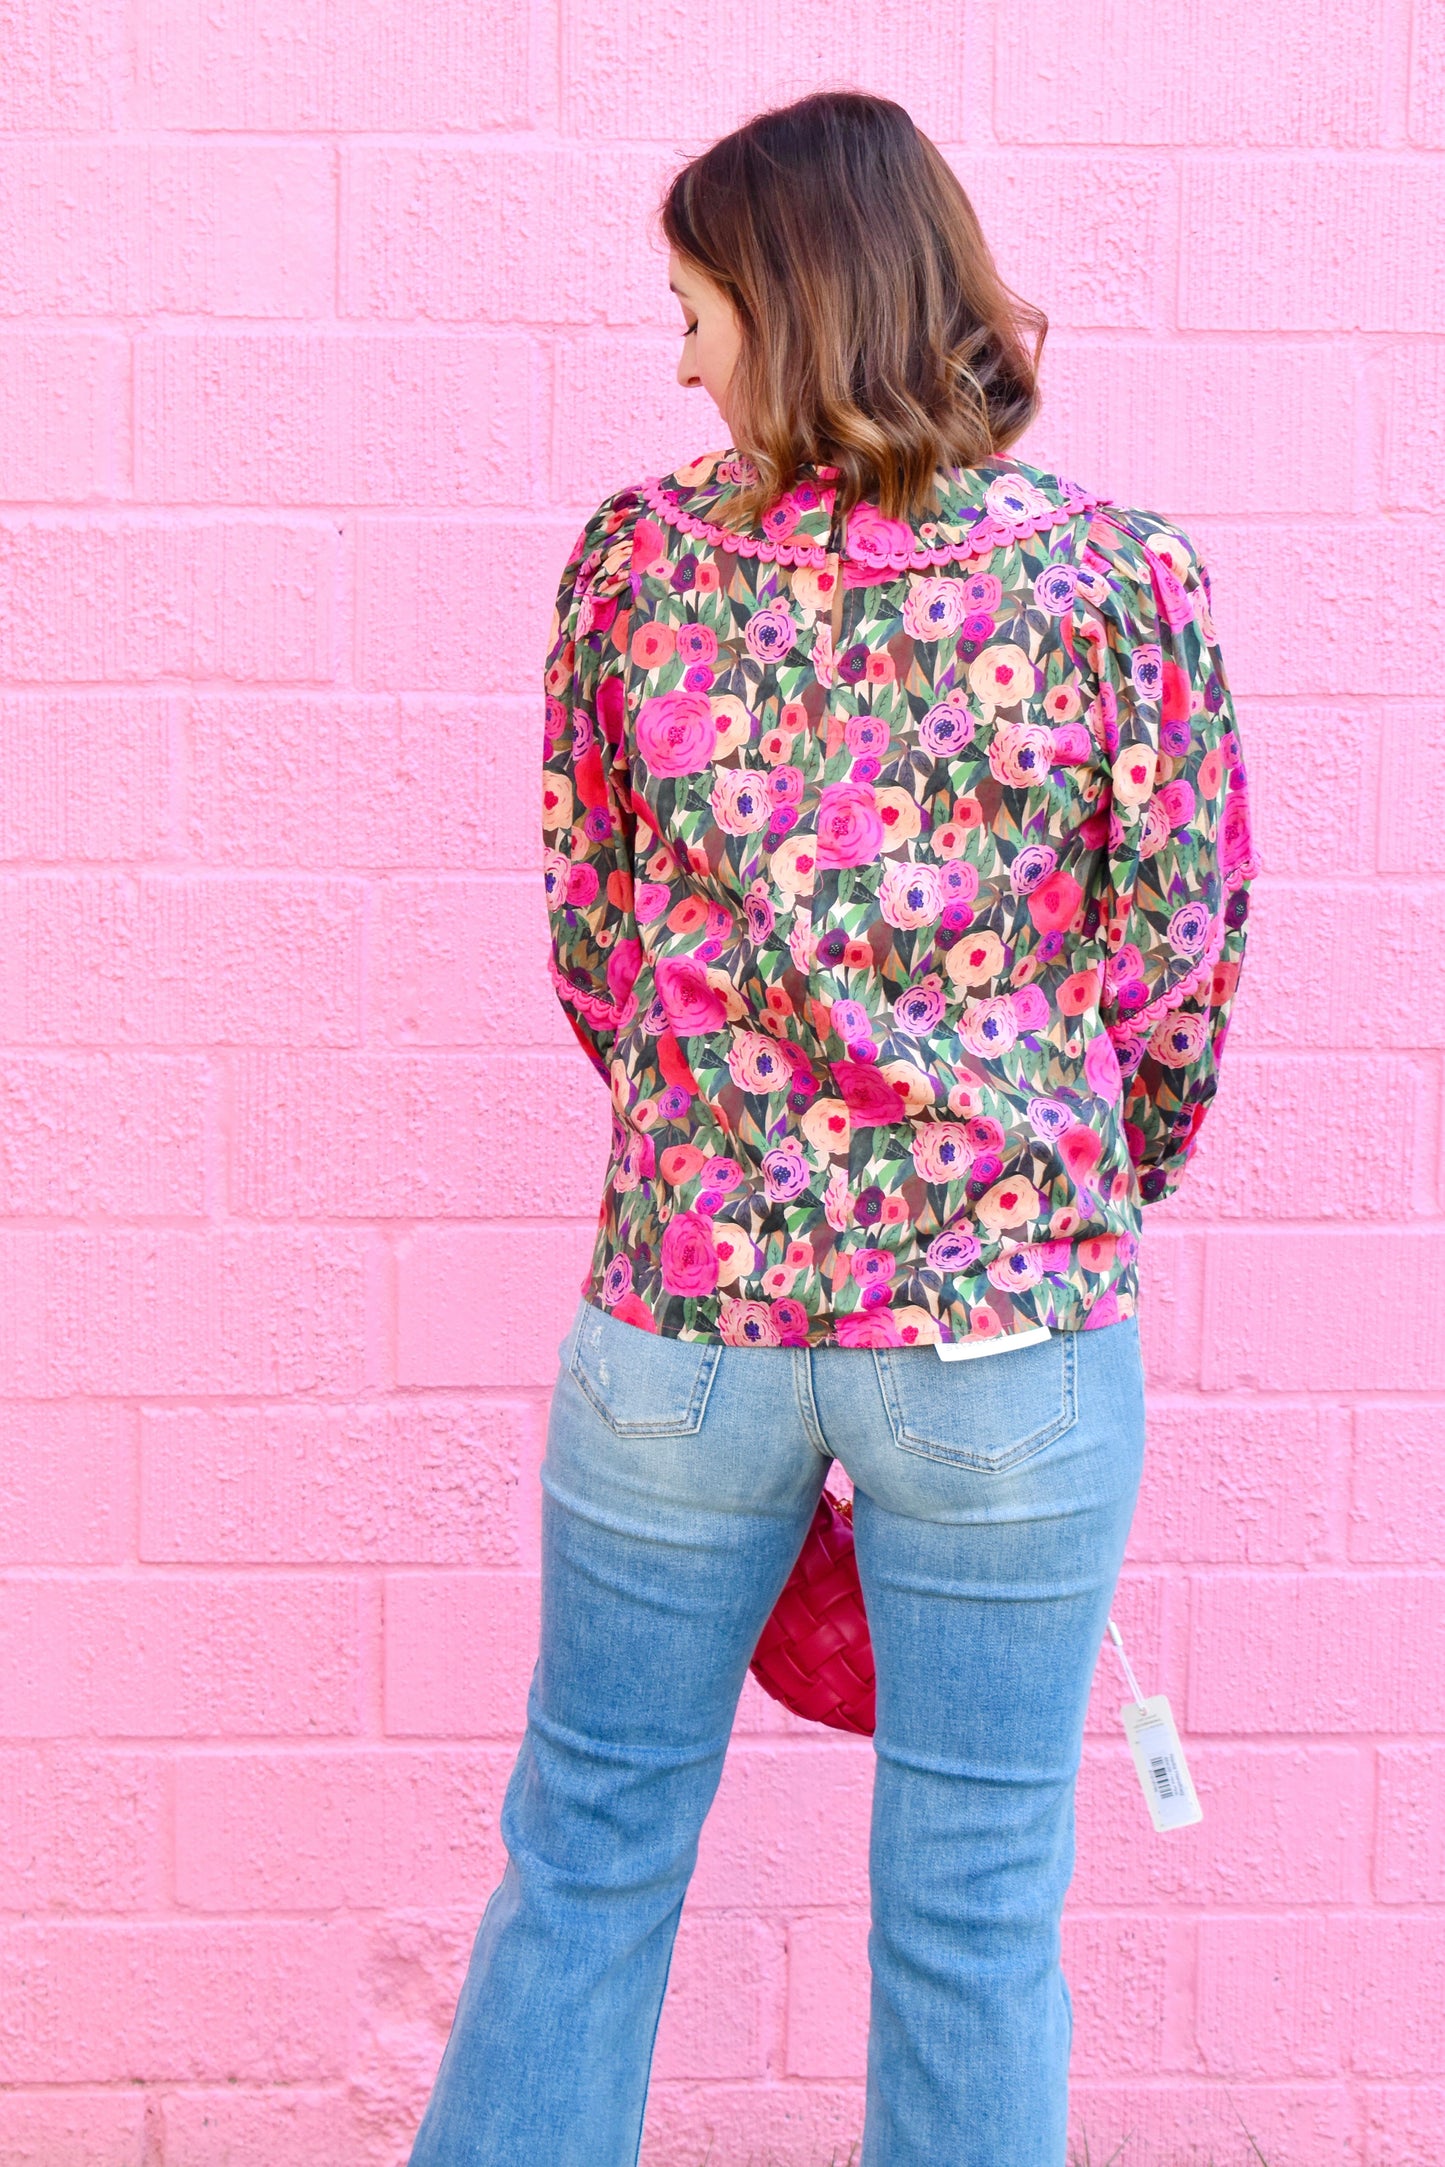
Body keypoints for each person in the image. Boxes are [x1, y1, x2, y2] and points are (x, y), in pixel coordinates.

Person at [409, 89, 1254, 2167]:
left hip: (684, 1317)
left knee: (590, 1848)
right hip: (1008, 1339)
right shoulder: (1122, 587)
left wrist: (725, 1143)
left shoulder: (635, 567)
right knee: (974, 1913)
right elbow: (1176, 973)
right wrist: (1053, 1191)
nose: (681, 355)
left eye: (695, 306)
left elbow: (597, 945)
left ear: (791, 310)